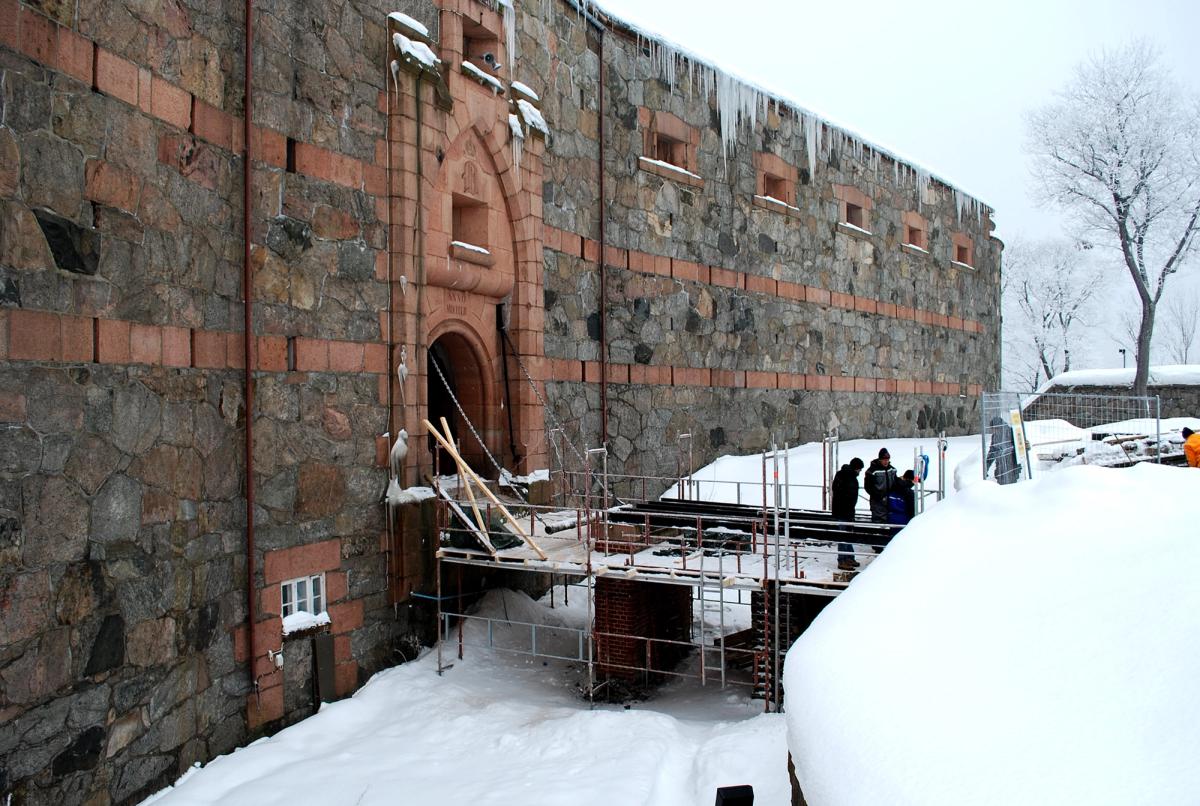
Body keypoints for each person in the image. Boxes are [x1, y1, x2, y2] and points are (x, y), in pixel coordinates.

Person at [831, 457, 864, 570]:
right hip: (844, 511)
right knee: (844, 535)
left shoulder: (844, 475)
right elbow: (842, 494)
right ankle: (843, 560)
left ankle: (848, 557)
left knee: (847, 534)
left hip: (846, 510)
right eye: (859, 469)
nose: (860, 472)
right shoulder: (847, 477)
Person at [985, 416, 1021, 485]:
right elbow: (991, 454)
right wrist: (986, 468)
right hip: (1001, 469)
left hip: (1013, 467)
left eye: (994, 429)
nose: (993, 431)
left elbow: (1020, 447)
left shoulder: (1011, 432)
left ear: (998, 427)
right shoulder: (995, 436)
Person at [864, 448, 897, 523]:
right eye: (884, 460)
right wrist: (879, 496)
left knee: (889, 520)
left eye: (887, 459)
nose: (886, 462)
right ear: (880, 459)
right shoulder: (872, 471)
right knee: (879, 521)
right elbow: (868, 487)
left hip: (890, 500)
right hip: (877, 501)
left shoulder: (892, 469)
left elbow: (896, 483)